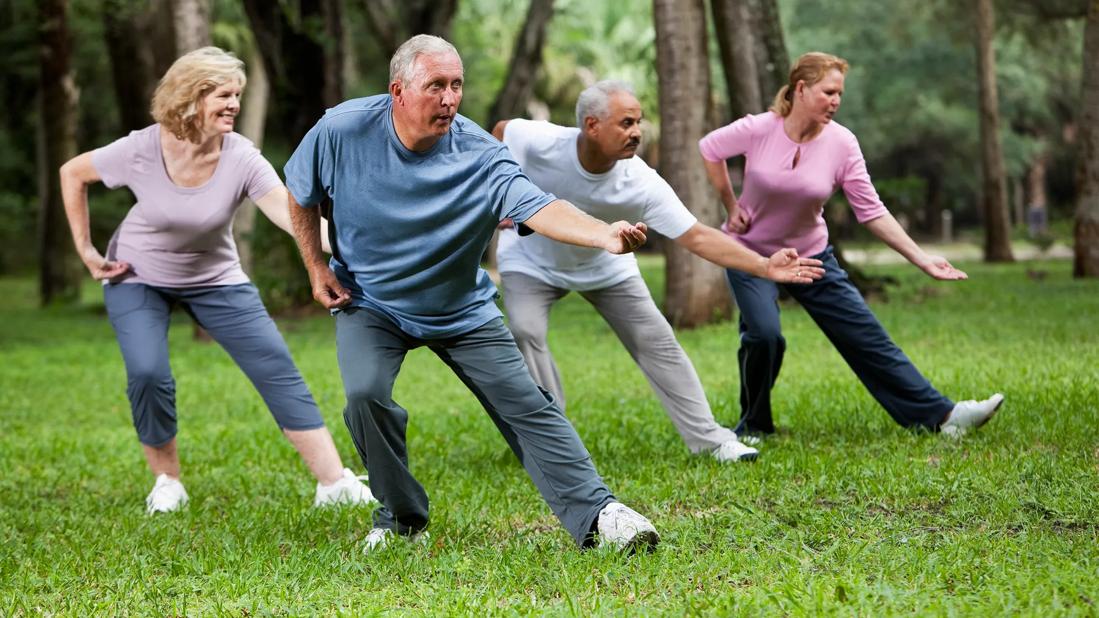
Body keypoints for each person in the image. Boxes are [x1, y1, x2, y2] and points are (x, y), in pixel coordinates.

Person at [284, 35, 659, 553]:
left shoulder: (481, 154)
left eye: (457, 85)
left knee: (529, 405)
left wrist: (604, 234)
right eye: (435, 85)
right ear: (398, 90)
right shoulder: (342, 129)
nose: (450, 98)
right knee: (364, 395)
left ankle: (600, 514)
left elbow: (539, 205)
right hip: (369, 299)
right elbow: (299, 192)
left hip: (459, 308)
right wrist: (315, 265)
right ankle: (400, 518)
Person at [59, 47, 374, 514]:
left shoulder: (241, 158)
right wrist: (86, 250)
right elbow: (73, 173)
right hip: (137, 273)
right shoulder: (142, 148)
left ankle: (334, 482)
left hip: (214, 276)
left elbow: (293, 217)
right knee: (148, 372)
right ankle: (167, 481)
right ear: (191, 96)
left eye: (237, 95)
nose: (233, 104)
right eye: (223, 95)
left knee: (276, 367)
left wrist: (363, 245)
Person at [491, 81, 825, 463]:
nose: (637, 132)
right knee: (525, 330)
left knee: (659, 343)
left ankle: (712, 440)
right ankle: (552, 443)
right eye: (626, 123)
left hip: (606, 265)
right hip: (531, 260)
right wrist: (501, 192)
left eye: (639, 122)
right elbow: (502, 130)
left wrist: (764, 265)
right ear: (591, 125)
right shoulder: (542, 141)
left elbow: (698, 237)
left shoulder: (641, 182)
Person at [698, 52, 1004, 439]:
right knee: (763, 335)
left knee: (866, 336)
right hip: (751, 254)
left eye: (840, 93)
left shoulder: (842, 143)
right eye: (829, 92)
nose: (836, 101)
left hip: (811, 255)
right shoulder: (760, 129)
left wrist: (922, 259)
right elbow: (709, 148)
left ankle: (943, 417)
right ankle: (754, 425)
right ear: (801, 89)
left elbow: (871, 211)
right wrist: (730, 203)